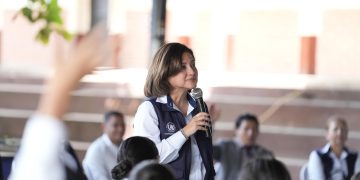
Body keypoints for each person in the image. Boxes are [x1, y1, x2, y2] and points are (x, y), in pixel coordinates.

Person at [9, 23, 110, 180]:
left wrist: (64, 84)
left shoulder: (63, 152)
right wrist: (62, 86)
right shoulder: (36, 162)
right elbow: (39, 156)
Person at [133, 42, 215, 180]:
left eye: (193, 64)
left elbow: (204, 155)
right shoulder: (149, 109)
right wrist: (185, 132)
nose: (192, 71)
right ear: (166, 71)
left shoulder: (199, 106)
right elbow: (149, 160)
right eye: (183, 66)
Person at [213, 113, 273, 180]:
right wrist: (209, 125)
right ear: (237, 130)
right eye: (246, 129)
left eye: (254, 129)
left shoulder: (265, 155)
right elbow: (207, 151)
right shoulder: (224, 147)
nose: (251, 133)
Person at [307, 116, 360, 180]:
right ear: (327, 134)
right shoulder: (317, 156)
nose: (340, 133)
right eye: (335, 129)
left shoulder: (355, 156)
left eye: (343, 130)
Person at [82, 111, 125, 180]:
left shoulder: (125, 146)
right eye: (115, 125)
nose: (120, 129)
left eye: (122, 125)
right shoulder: (96, 150)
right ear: (104, 127)